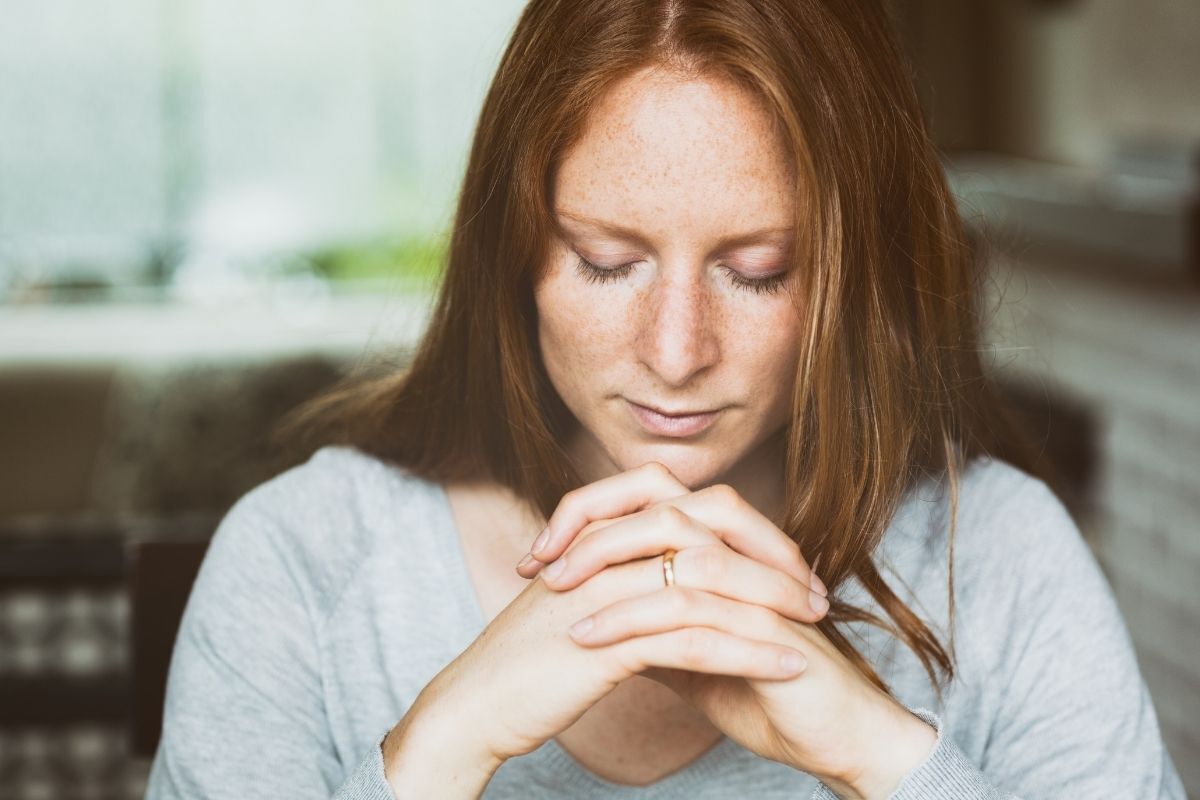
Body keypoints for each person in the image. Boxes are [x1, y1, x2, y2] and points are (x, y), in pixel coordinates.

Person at [145, 1, 1187, 798]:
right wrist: (439, 745)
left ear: (855, 277)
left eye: (761, 268)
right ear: (512, 253)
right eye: (607, 262)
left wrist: (880, 749)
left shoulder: (1000, 557)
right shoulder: (301, 565)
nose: (677, 351)